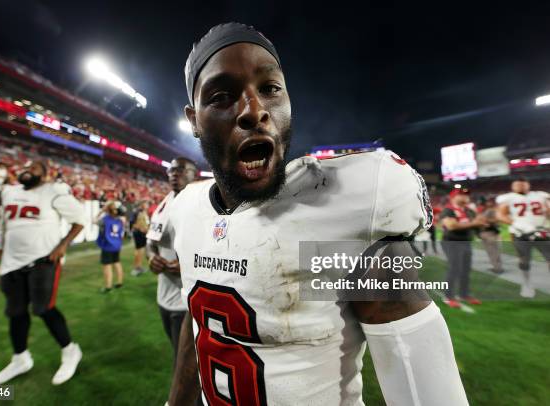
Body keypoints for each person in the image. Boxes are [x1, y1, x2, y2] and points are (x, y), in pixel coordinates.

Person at [160, 23, 468, 406]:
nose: (254, 111)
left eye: (270, 89)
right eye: (222, 96)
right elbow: (199, 317)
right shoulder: (187, 210)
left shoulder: (345, 209)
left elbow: (424, 391)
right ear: (193, 119)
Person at [0, 161, 85, 386]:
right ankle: (20, 359)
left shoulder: (53, 190)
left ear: (46, 175)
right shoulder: (10, 192)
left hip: (43, 261)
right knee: (15, 312)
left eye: (34, 168)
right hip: (11, 264)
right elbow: (1, 232)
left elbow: (79, 219)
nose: (27, 169)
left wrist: (62, 245)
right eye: (24, 167)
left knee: (43, 308)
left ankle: (70, 350)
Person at [147, 158, 197, 365]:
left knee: (185, 363)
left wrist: (190, 265)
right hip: (164, 295)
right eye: (171, 170)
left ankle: (187, 399)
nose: (175, 174)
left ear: (194, 174)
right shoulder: (164, 204)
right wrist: (152, 257)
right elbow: (151, 241)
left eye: (181, 170)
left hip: (187, 301)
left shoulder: (201, 205)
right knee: (178, 356)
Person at [496, 178, 550, 298]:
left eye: (522, 184)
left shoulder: (540, 196)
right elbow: (500, 214)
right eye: (517, 184)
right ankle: (526, 284)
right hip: (520, 233)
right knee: (524, 260)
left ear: (528, 185)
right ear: (512, 186)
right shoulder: (508, 198)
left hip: (541, 231)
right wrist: (517, 224)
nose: (520, 186)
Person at [440, 189, 487, 308]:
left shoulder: (469, 211)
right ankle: (448, 296)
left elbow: (476, 226)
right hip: (452, 242)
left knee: (466, 270)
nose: (465, 197)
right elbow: (451, 226)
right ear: (453, 197)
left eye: (466, 195)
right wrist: (475, 224)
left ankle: (464, 294)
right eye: (461, 195)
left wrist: (482, 227)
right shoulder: (448, 210)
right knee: (454, 269)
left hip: (466, 242)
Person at [96, 201, 125, 293]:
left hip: (107, 246)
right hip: (117, 245)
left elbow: (94, 221)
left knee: (107, 266)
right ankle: (119, 282)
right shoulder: (120, 220)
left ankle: (108, 286)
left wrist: (101, 211)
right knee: (117, 262)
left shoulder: (104, 219)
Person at [476, 196, 503, 274]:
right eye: (479, 204)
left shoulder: (491, 211)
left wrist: (486, 220)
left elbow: (497, 220)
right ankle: (496, 267)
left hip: (491, 233)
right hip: (483, 233)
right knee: (490, 251)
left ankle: (498, 268)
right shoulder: (481, 211)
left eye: (481, 203)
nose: (480, 205)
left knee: (494, 251)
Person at [130, 200, 150, 276]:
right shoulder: (137, 212)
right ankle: (137, 268)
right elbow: (132, 224)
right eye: (146, 204)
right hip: (139, 233)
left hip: (143, 233)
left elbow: (146, 223)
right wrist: (141, 228)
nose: (147, 205)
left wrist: (147, 228)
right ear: (142, 204)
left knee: (140, 251)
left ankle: (138, 266)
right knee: (139, 251)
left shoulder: (144, 212)